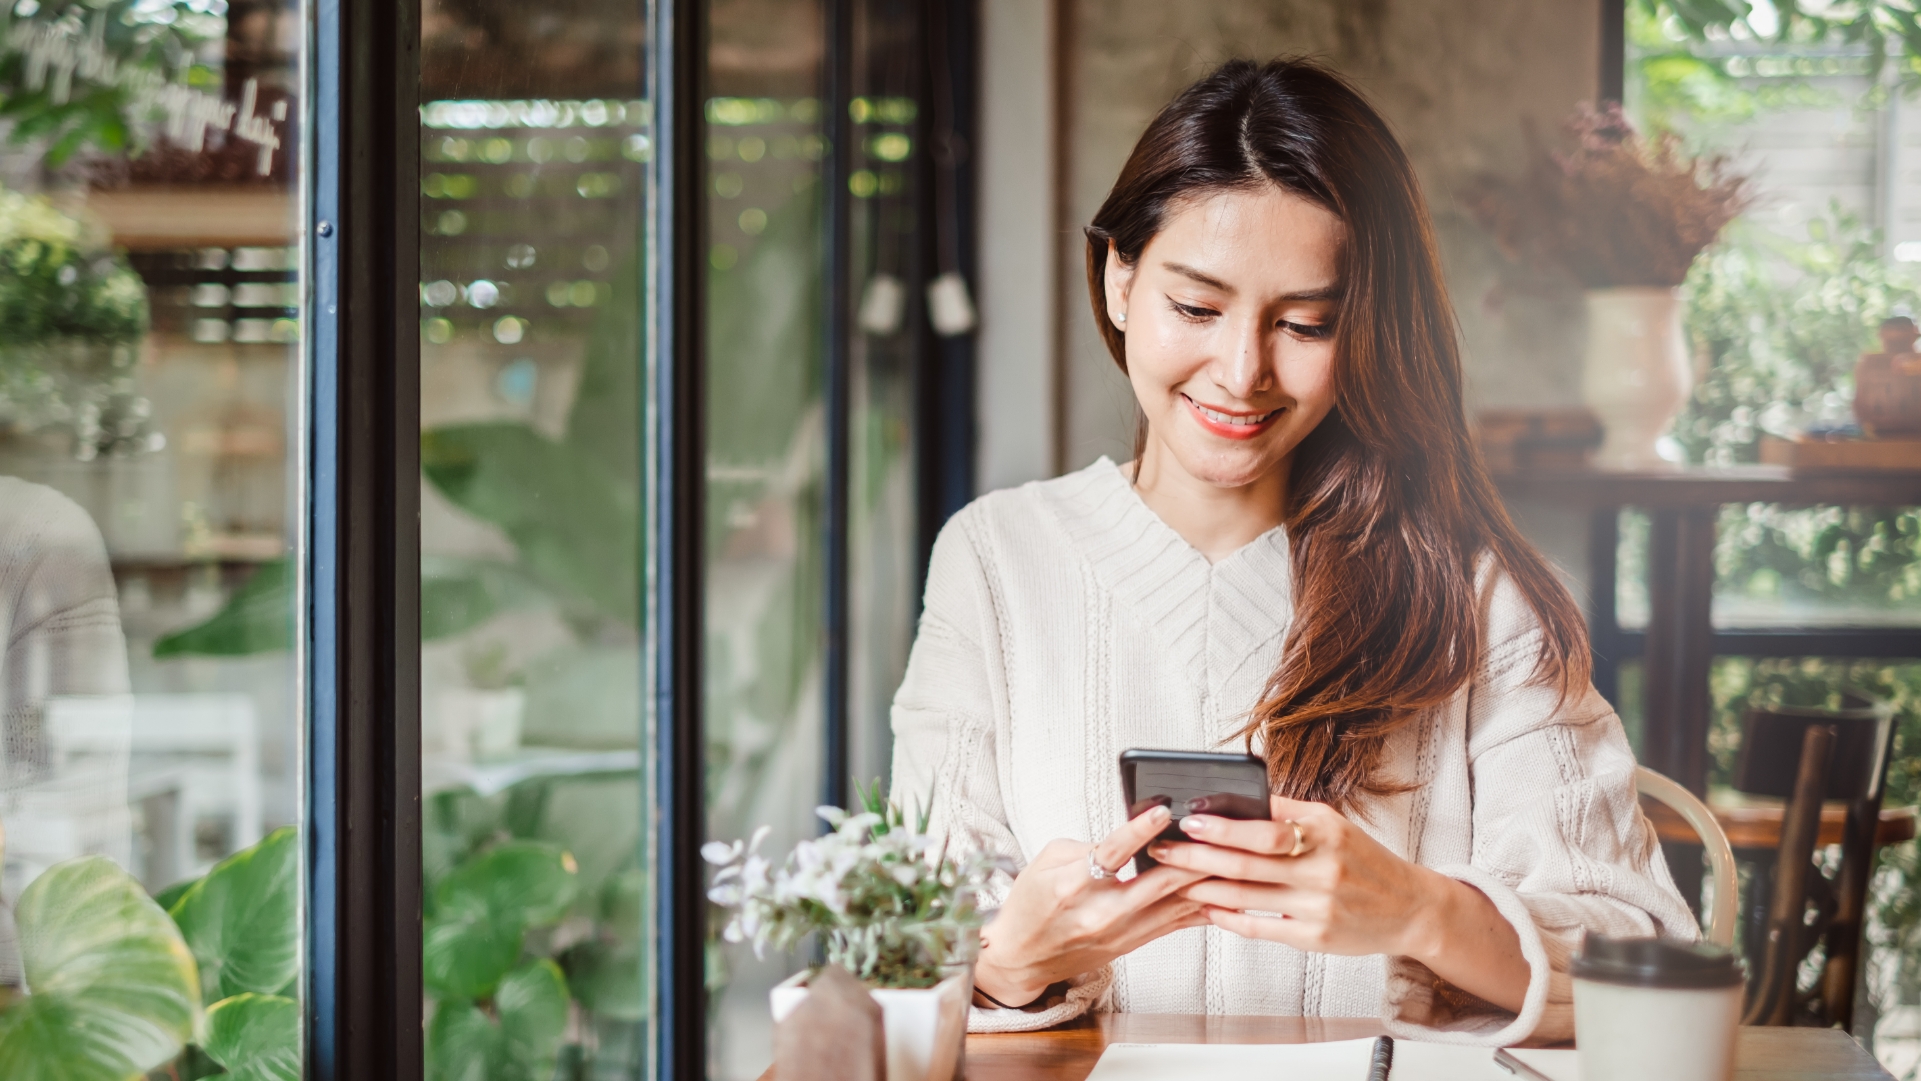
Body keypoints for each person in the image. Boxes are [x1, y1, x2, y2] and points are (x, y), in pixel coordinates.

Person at [887, 57, 1692, 1044]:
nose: (1240, 372)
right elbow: (899, 954)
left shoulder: (1471, 592)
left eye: (1306, 322)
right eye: (1195, 308)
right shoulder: (996, 563)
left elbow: (1648, 958)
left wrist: (1419, 911)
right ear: (1118, 281)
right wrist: (1011, 963)